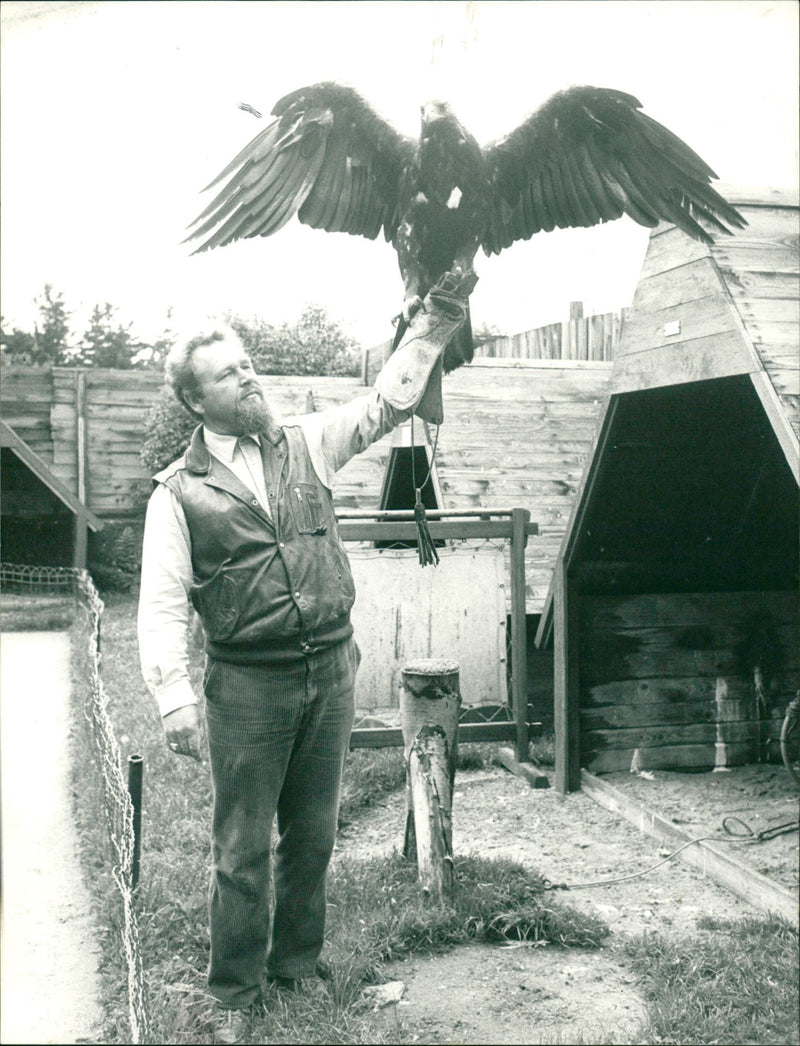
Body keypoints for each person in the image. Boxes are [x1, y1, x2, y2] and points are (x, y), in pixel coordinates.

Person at [137, 275, 471, 1042]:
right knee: (243, 845)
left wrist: (431, 330)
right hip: (248, 685)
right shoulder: (177, 494)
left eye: (246, 363)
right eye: (227, 373)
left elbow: (385, 406)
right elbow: (159, 605)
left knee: (314, 833)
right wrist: (175, 698)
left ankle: (296, 970)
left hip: (329, 669)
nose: (247, 376)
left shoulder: (306, 444)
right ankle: (231, 995)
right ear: (196, 402)